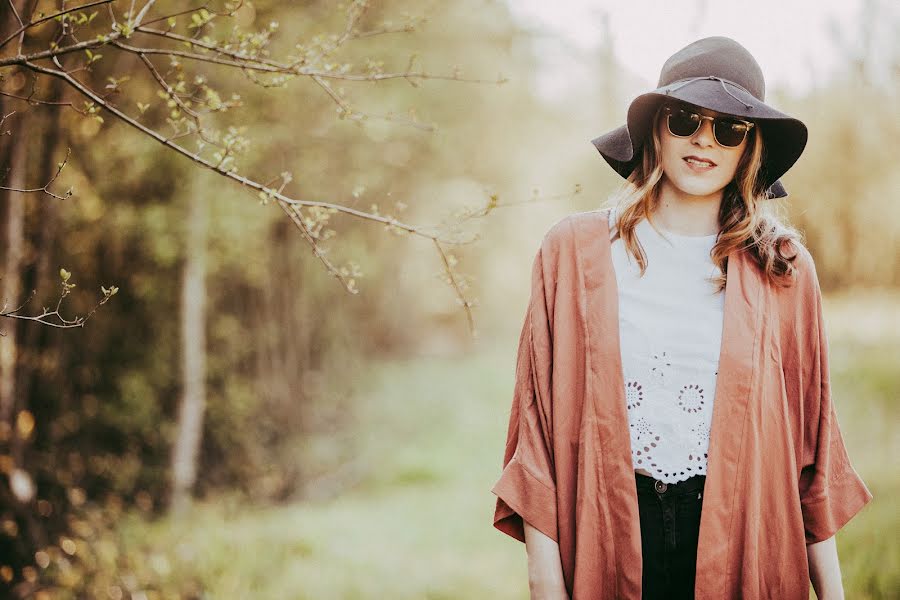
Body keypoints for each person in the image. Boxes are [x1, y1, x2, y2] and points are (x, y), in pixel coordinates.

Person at [490, 37, 873, 600]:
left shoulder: (783, 267)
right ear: (655, 129)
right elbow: (537, 432)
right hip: (607, 536)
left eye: (729, 128)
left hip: (740, 538)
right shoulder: (571, 252)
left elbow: (810, 449)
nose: (704, 140)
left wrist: (832, 593)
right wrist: (545, 579)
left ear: (750, 148)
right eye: (686, 118)